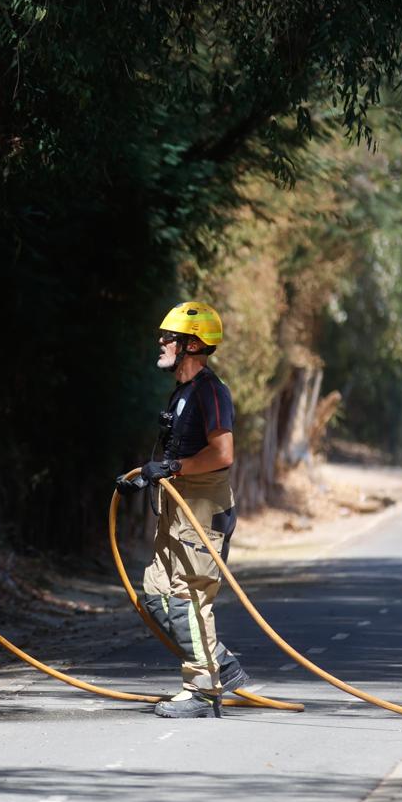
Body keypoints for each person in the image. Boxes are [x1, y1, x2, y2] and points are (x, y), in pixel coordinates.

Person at [115, 301, 251, 718]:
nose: (161, 341)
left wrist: (173, 467)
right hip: (177, 507)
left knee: (188, 597)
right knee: (156, 594)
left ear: (192, 344)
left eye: (169, 337)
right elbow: (178, 451)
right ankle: (219, 663)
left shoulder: (211, 391)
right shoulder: (183, 392)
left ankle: (203, 689)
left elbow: (222, 453)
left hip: (201, 509)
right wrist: (148, 475)